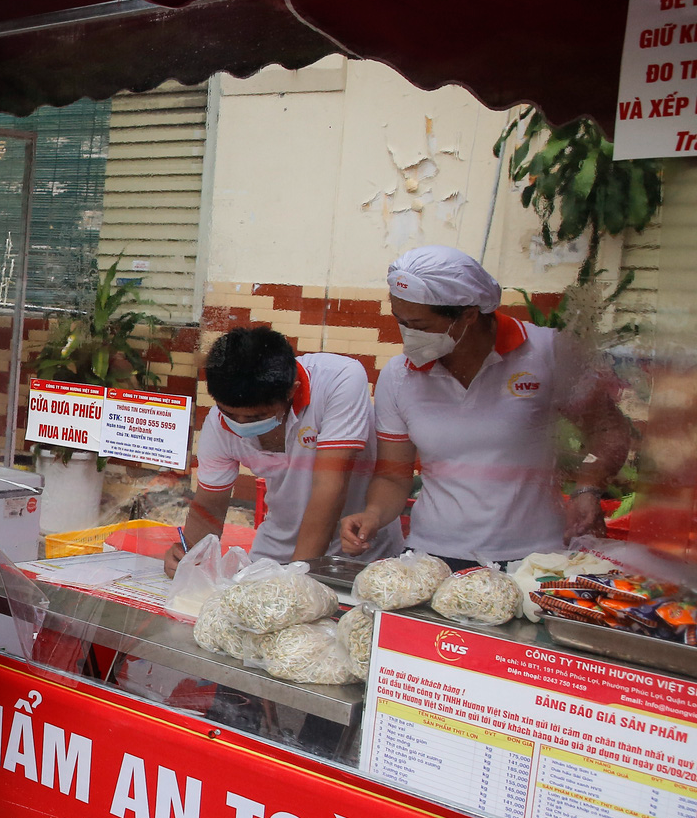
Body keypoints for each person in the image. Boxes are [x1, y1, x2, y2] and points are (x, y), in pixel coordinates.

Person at [340, 245, 631, 568]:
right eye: (401, 321)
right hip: (431, 555)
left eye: (420, 326)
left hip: (531, 558)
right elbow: (393, 477)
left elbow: (607, 429)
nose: (408, 336)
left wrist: (588, 486)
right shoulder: (399, 376)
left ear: (468, 315)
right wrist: (372, 515)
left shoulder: (549, 353)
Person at [164, 326, 400, 572]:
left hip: (359, 555)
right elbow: (211, 503)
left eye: (257, 416)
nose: (240, 424)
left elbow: (329, 488)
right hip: (274, 554)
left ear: (292, 391)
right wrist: (189, 554)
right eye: (230, 413)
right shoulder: (218, 423)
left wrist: (296, 577)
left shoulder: (339, 380)